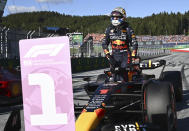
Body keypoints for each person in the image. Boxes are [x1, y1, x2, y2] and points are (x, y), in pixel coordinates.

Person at [102, 7, 138, 82]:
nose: (115, 19)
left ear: (123, 17)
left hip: (125, 55)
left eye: (117, 17)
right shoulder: (109, 29)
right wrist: (108, 55)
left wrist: (133, 56)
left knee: (124, 75)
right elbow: (104, 43)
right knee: (114, 75)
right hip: (114, 54)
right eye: (113, 17)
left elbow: (134, 43)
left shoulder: (128, 29)